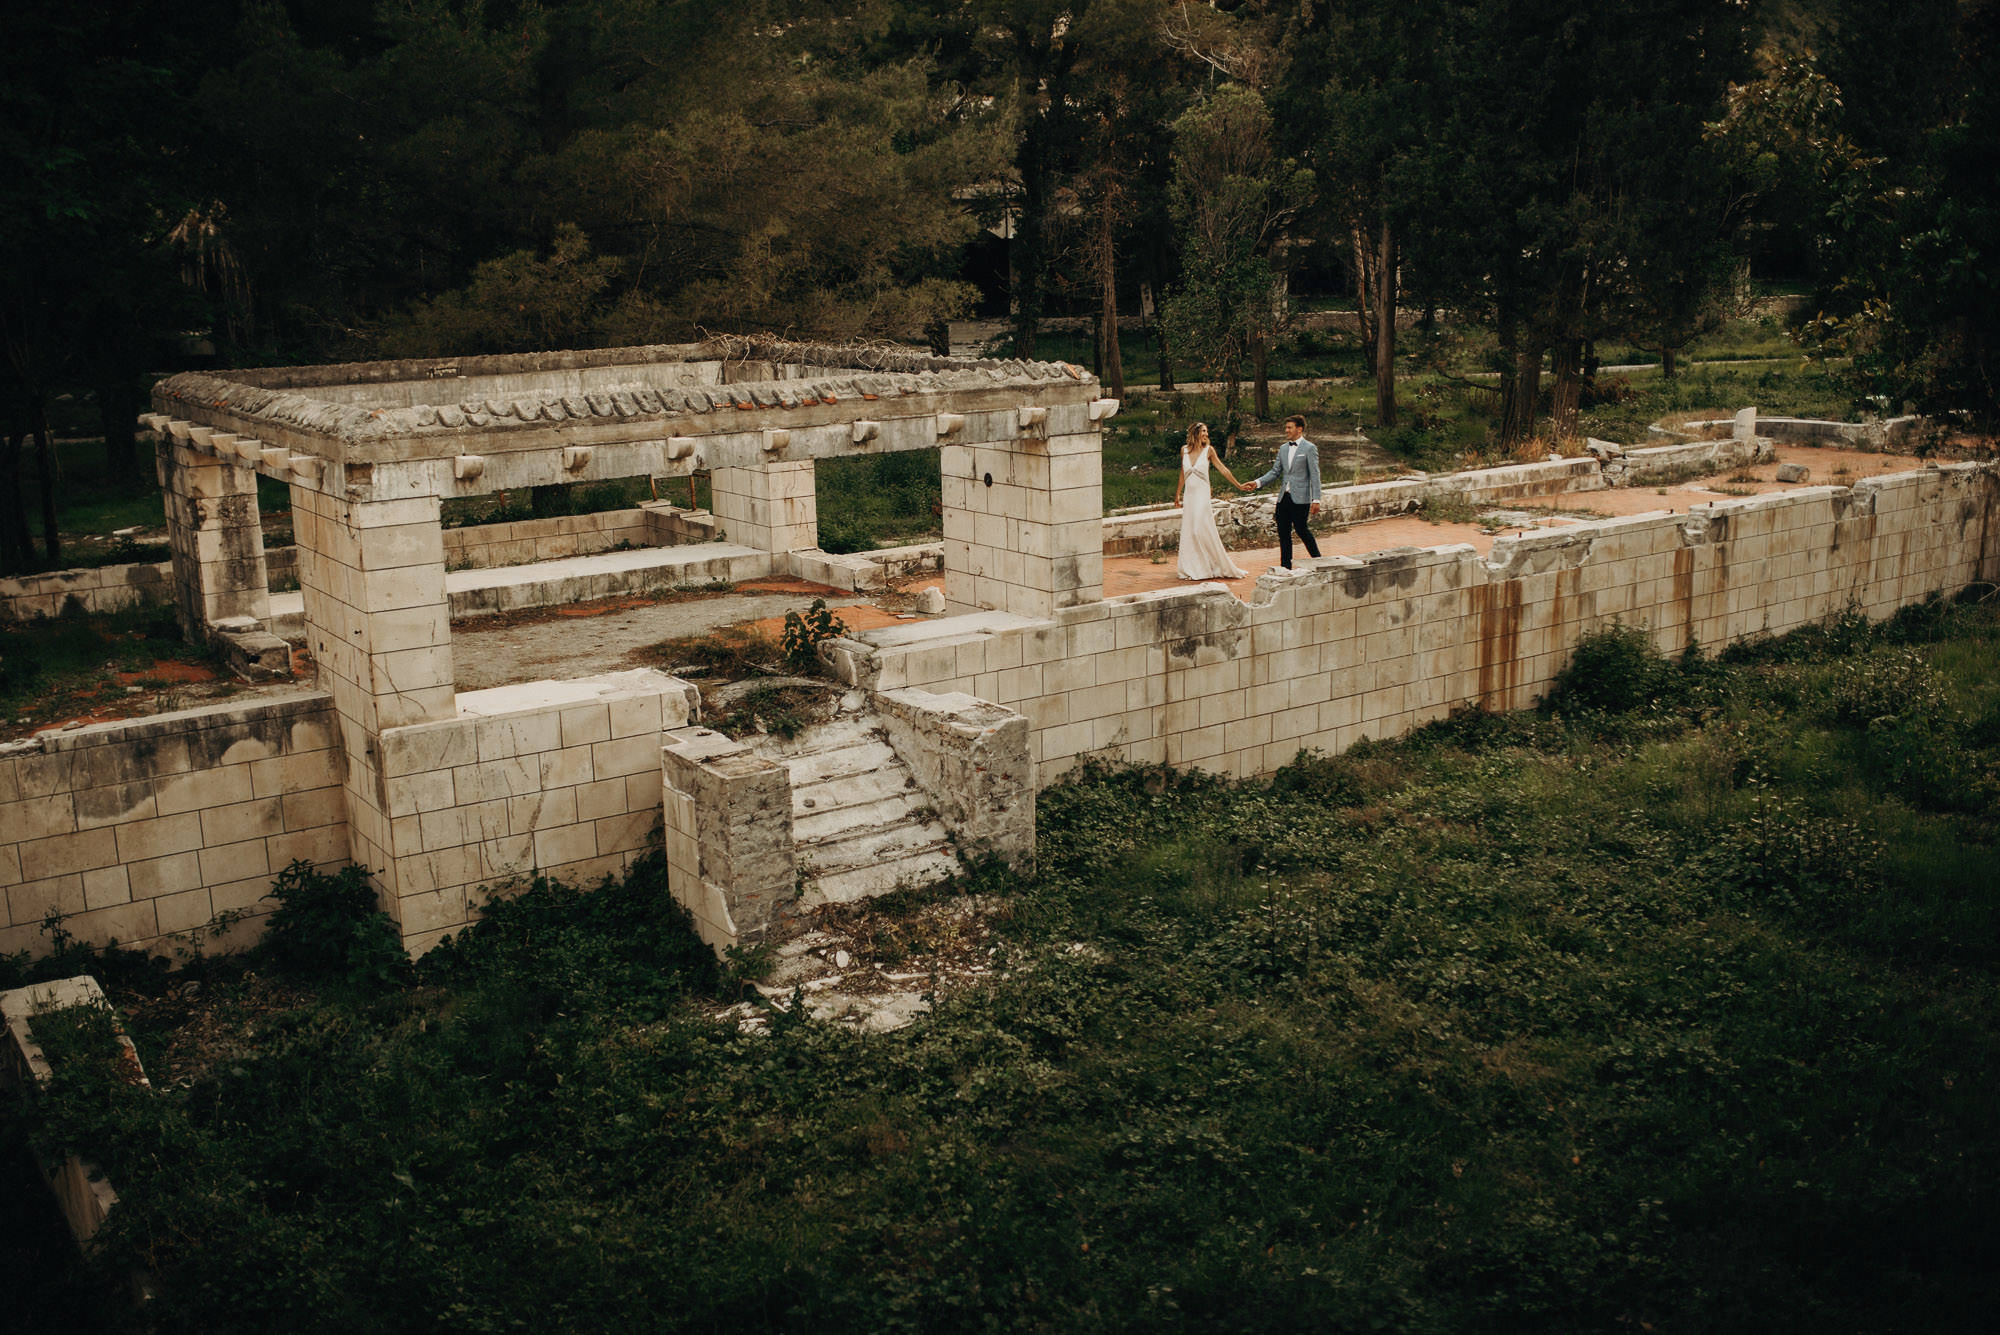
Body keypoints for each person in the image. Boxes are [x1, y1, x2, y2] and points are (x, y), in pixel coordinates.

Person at [1173, 422, 1254, 581]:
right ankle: (1195, 567)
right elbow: (1183, 474)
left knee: (1198, 529)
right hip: (1189, 496)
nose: (1206, 434)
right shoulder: (1184, 450)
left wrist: (1238, 485)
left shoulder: (1209, 451)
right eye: (1204, 431)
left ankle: (1210, 565)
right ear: (1195, 433)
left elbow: (1223, 469)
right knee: (1190, 531)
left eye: (1206, 431)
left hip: (1202, 495)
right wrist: (1177, 494)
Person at [1248, 413, 1322, 568]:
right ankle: (1285, 567)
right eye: (1286, 427)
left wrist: (1316, 499)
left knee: (1302, 530)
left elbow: (1315, 474)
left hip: (1301, 497)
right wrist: (1257, 482)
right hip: (1284, 498)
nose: (1286, 430)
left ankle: (1319, 561)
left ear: (1299, 429)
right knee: (1283, 533)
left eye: (1289, 427)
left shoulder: (1309, 448)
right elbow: (1275, 472)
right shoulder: (1282, 448)